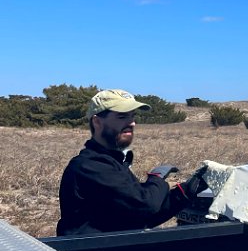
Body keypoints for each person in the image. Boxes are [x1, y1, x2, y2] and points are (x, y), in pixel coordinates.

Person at [56, 89, 209, 236]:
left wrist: (185, 192)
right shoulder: (90, 166)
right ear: (97, 122)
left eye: (132, 116)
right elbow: (145, 204)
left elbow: (142, 217)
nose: (132, 123)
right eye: (122, 117)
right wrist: (156, 179)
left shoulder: (112, 162)